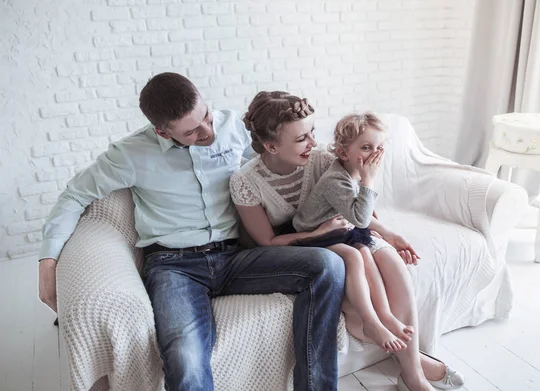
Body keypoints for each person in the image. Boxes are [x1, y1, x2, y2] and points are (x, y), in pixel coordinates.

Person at [37, 72, 346, 391]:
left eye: (207, 117)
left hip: (236, 257)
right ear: (162, 131)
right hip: (174, 267)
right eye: (192, 131)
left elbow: (276, 160)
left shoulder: (233, 128)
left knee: (327, 267)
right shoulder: (130, 154)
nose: (209, 132)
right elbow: (74, 195)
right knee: (184, 354)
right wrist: (48, 262)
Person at [230, 93, 465, 391]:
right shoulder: (245, 181)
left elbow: (360, 211)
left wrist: (389, 234)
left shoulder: (321, 159)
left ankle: (410, 367)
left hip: (344, 232)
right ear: (272, 146)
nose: (313, 143)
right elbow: (267, 241)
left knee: (391, 261)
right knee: (355, 274)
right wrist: (315, 235)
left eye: (312, 132)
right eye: (302, 138)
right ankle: (412, 364)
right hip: (301, 245)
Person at [291, 113, 415, 354]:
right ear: (343, 153)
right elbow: (360, 217)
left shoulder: (353, 173)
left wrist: (389, 234)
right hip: (315, 235)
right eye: (366, 147)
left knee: (366, 255)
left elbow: (361, 216)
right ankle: (370, 321)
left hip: (341, 229)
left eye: (379, 147)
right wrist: (369, 179)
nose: (374, 155)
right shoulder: (336, 180)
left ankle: (385, 315)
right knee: (354, 256)